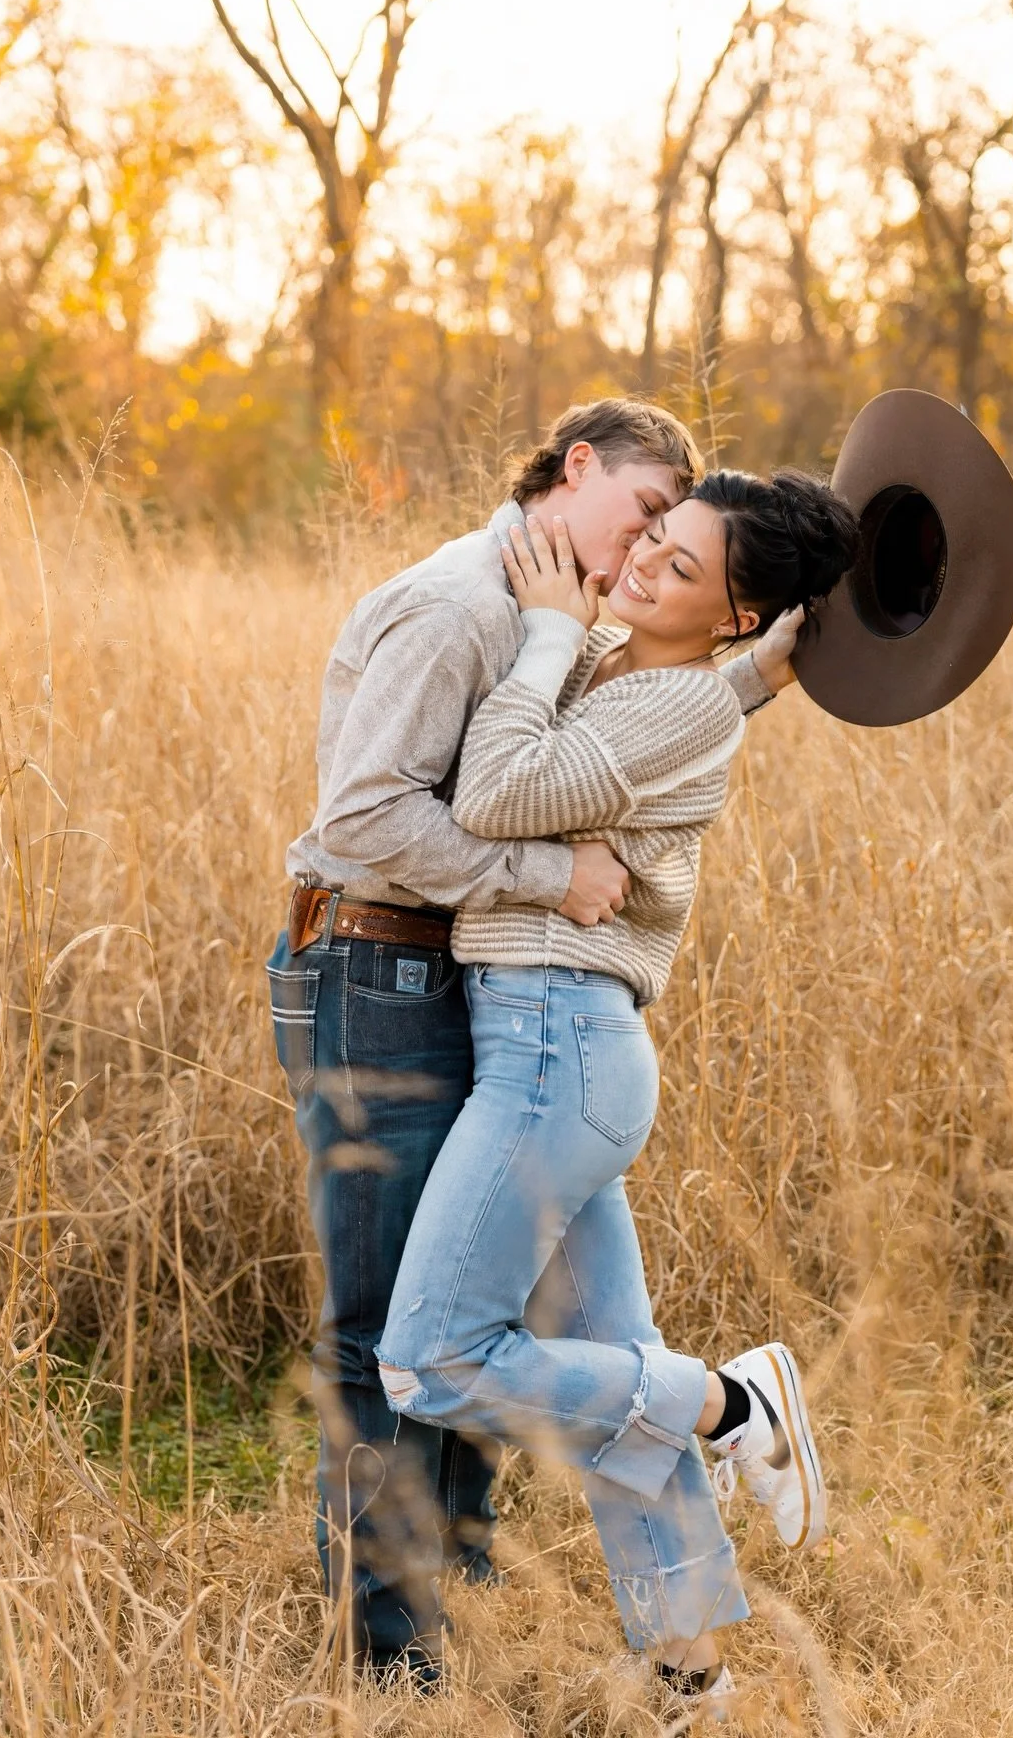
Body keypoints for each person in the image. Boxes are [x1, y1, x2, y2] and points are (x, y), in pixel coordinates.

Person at [267, 400, 784, 1682]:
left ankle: (490, 1602)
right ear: (577, 469)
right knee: (386, 1325)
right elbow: (369, 812)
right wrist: (549, 875)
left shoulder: (556, 618)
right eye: (645, 514)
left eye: (676, 537)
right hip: (370, 965)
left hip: (445, 975)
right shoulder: (465, 609)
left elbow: (638, 732)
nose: (647, 548)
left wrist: (768, 665)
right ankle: (391, 1656)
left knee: (470, 1301)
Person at [374, 470, 859, 1718]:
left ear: (731, 617)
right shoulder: (666, 676)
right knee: (612, 1374)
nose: (645, 564)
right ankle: (694, 1676)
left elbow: (492, 796)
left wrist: (545, 630)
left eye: (683, 569)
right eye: (659, 537)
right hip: (553, 1053)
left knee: (430, 1362)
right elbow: (670, 709)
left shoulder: (661, 695)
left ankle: (733, 1399)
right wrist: (761, 671)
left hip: (557, 1052)